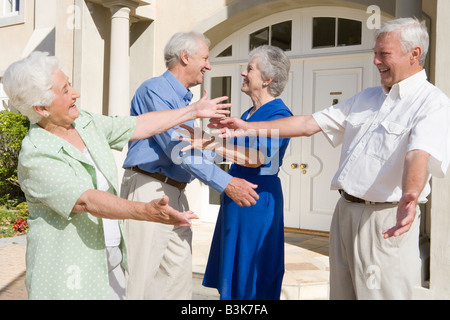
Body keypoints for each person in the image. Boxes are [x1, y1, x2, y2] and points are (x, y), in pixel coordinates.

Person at [209, 18, 450, 300]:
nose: (375, 61)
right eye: (374, 53)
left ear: (415, 54)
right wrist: (247, 126)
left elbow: (418, 154)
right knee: (341, 294)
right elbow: (308, 124)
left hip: (385, 218)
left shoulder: (432, 102)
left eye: (384, 54)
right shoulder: (367, 98)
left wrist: (410, 196)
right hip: (345, 211)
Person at [1, 51, 230, 300]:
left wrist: (191, 111)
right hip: (68, 275)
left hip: (108, 261)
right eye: (65, 90)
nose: (76, 93)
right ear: (41, 108)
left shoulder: (84, 123)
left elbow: (137, 125)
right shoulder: (36, 154)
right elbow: (86, 200)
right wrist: (146, 211)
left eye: (71, 84)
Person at [120, 31, 259, 300]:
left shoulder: (184, 101)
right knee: (139, 277)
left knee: (177, 278)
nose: (209, 65)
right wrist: (226, 183)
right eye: (205, 58)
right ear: (185, 57)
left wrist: (223, 145)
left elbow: (193, 148)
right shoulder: (155, 90)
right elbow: (178, 149)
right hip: (150, 188)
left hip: (175, 193)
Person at [179, 45, 292, 300]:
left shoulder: (278, 114)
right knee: (233, 272)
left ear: (267, 79)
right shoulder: (248, 114)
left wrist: (208, 142)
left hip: (256, 199)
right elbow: (233, 153)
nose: (243, 72)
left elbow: (257, 158)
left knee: (252, 274)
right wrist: (221, 138)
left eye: (250, 68)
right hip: (236, 195)